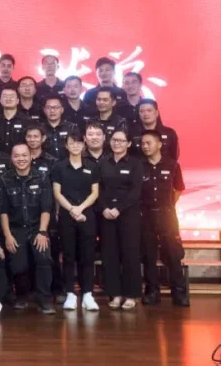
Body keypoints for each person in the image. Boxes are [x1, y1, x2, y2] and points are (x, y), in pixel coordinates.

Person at [0, 143, 55, 314]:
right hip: (16, 230)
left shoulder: (42, 177)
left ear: (31, 157)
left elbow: (46, 208)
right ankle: (22, 296)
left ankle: (44, 299)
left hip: (38, 227)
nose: (21, 159)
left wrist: (42, 232)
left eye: (24, 155)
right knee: (18, 265)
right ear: (11, 158)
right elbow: (3, 211)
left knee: (44, 259)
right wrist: (8, 236)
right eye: (17, 156)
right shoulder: (4, 179)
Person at [50, 130, 100, 312]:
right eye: (72, 143)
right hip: (66, 216)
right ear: (66, 145)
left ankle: (87, 294)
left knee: (87, 256)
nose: (76, 146)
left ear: (84, 144)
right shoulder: (59, 167)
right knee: (68, 255)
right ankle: (70, 293)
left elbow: (95, 193)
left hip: (87, 215)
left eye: (79, 143)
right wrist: (72, 209)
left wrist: (81, 208)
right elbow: (57, 193)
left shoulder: (92, 166)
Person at [139, 130, 188, 307]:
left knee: (173, 255)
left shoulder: (173, 165)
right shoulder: (138, 166)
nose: (145, 146)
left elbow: (178, 189)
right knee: (149, 255)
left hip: (167, 216)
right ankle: (152, 291)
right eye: (143, 143)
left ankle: (179, 292)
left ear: (159, 144)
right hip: (146, 215)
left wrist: (167, 205)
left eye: (149, 143)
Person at [97, 129, 144, 310]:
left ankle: (131, 294)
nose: (117, 143)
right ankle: (115, 294)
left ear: (129, 144)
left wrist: (119, 208)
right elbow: (98, 189)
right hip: (107, 214)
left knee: (130, 254)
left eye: (121, 140)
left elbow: (136, 191)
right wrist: (104, 208)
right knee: (110, 255)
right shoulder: (103, 163)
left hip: (128, 214)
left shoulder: (135, 164)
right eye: (114, 140)